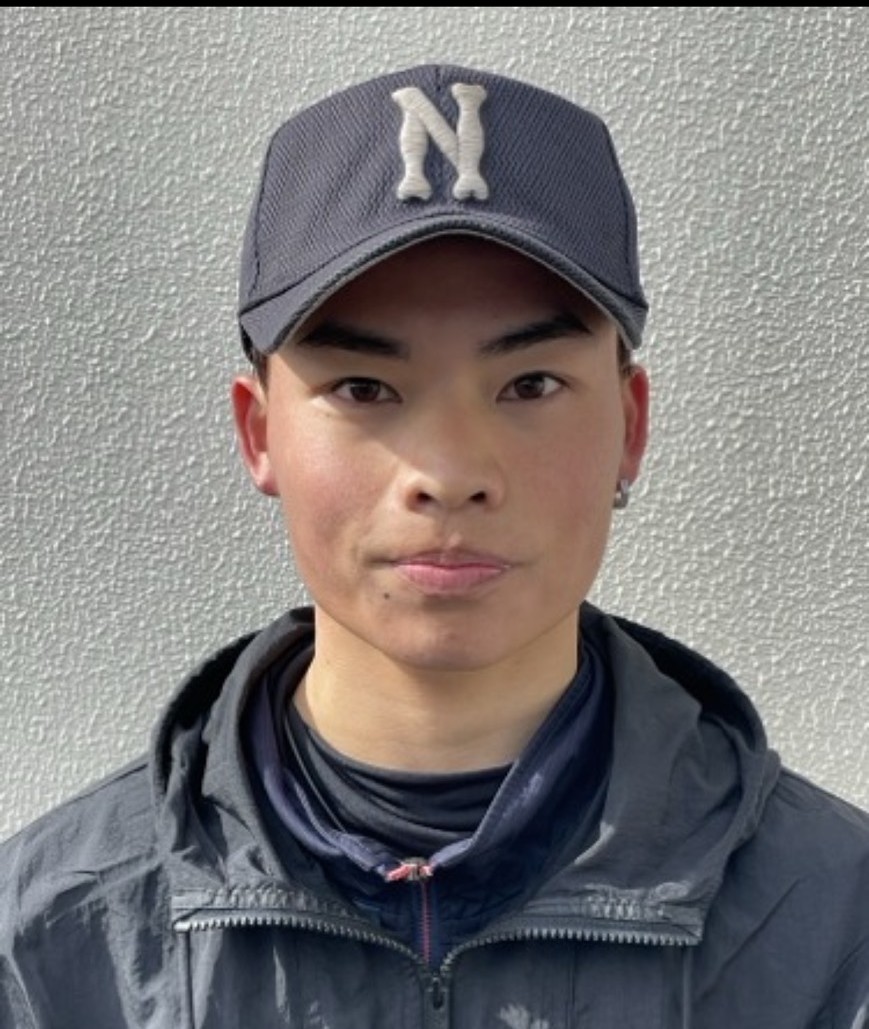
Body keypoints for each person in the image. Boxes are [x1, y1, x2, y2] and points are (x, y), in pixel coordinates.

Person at [1, 62, 867, 1029]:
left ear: (629, 425)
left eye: (530, 384)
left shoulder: (837, 925)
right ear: (259, 431)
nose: (450, 473)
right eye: (364, 388)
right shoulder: (46, 947)